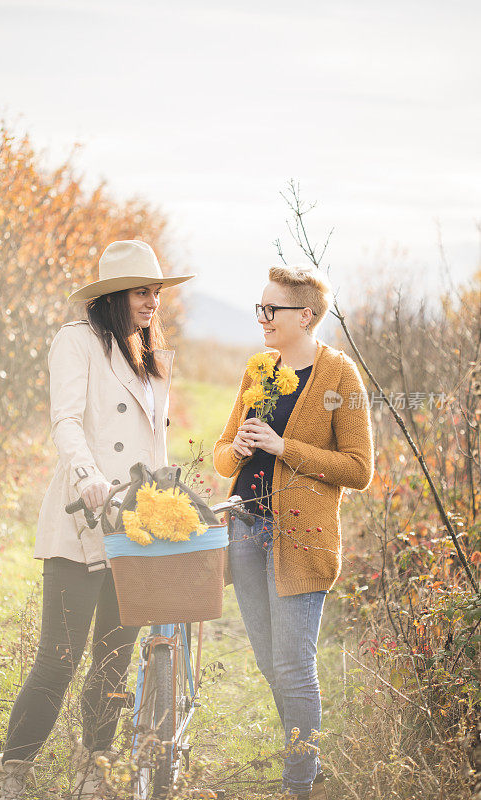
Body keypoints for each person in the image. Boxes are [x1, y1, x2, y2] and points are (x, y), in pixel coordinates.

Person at [0, 241, 194, 800]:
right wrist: (87, 475)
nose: (152, 301)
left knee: (113, 661)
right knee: (59, 657)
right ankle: (13, 772)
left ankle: (93, 769)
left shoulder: (153, 354)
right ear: (113, 296)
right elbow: (66, 421)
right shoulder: (75, 341)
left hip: (134, 523)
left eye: (156, 291)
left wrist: (169, 494)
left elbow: (156, 439)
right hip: (84, 515)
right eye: (142, 292)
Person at [213, 265, 374, 800]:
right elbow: (219, 455)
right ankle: (305, 754)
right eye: (259, 308)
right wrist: (234, 450)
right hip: (246, 531)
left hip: (303, 540)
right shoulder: (258, 368)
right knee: (266, 659)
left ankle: (298, 783)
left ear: (305, 316)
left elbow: (359, 469)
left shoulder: (340, 377)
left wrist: (286, 448)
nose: (262, 318)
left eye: (271, 309)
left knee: (293, 663)